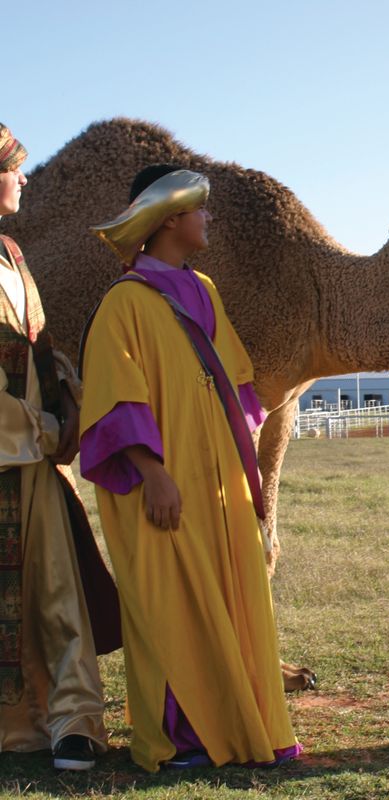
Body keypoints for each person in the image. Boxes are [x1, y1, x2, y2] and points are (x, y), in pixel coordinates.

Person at [78, 164, 301, 771]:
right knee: (169, 603)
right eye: (200, 210)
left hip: (217, 484)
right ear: (171, 217)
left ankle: (238, 724)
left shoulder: (203, 289)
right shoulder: (123, 303)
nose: (208, 220)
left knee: (230, 596)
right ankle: (177, 738)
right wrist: (154, 473)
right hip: (161, 486)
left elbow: (236, 388)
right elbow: (114, 399)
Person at [0, 123, 120, 769]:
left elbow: (35, 348)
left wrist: (67, 400)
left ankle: (73, 721)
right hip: (16, 445)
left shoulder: (13, 255)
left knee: (58, 589)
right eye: (12, 168)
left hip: (34, 453)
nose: (22, 178)